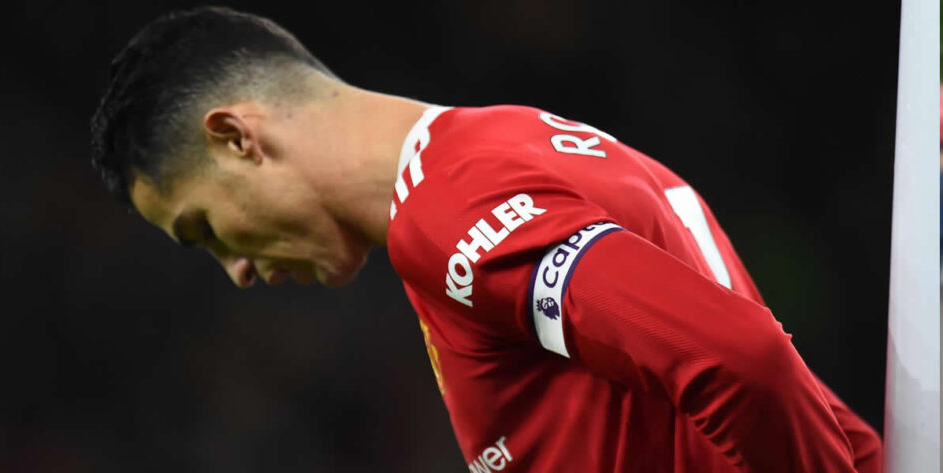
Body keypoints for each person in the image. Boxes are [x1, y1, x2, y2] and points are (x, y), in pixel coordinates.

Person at [90, 6, 882, 472]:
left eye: (203, 228)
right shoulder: (510, 141)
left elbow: (741, 357)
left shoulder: (453, 215)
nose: (235, 269)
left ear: (236, 138)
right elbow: (799, 402)